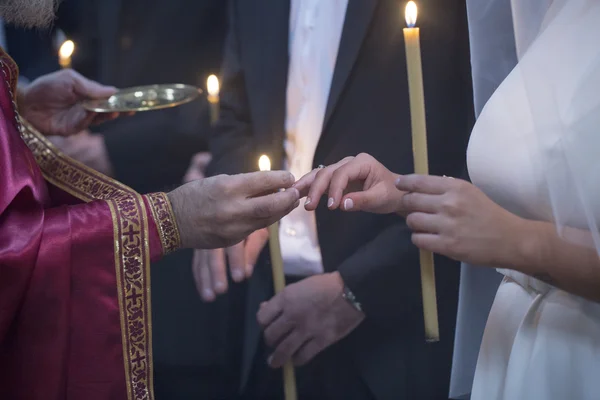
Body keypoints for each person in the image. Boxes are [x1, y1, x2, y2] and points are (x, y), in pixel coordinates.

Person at [294, 0, 600, 399]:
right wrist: (403, 192)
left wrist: (519, 242)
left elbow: (523, 229)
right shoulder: (560, 16)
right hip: (517, 347)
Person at [0, 2, 301, 399]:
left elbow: (227, 87)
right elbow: (11, 250)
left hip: (179, 216)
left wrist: (18, 102)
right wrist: (167, 219)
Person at [201, 0, 473, 398]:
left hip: (394, 320)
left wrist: (360, 287)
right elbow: (237, 118)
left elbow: (467, 152)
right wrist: (238, 206)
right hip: (266, 305)